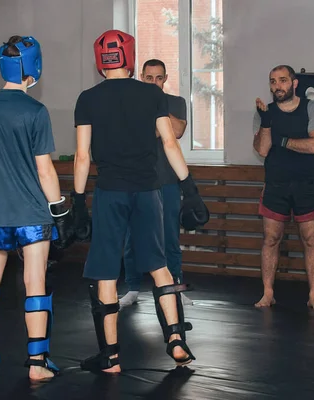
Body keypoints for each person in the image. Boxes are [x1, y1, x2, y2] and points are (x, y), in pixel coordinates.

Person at [72, 29, 209, 374]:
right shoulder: (151, 94)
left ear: (99, 61)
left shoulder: (87, 98)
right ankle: (177, 340)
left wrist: (76, 200)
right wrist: (189, 187)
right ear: (130, 59)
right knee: (159, 265)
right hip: (148, 191)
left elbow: (82, 156)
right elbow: (170, 144)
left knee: (105, 272)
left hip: (111, 191)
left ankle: (112, 357)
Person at [0, 35, 75, 381]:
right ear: (33, 67)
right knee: (34, 283)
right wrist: (60, 209)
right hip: (31, 214)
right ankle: (38, 364)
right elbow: (45, 170)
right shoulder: (36, 112)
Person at [252, 65, 314, 311]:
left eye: (283, 80)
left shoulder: (313, 108)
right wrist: (266, 123)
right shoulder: (266, 112)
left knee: (311, 239)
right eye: (273, 81)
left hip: (306, 184)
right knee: (271, 239)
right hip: (275, 184)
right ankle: (268, 293)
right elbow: (263, 150)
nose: (277, 86)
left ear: (294, 83)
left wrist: (282, 141)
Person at [120, 59, 193, 307]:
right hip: (136, 180)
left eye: (158, 78)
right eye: (149, 78)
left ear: (165, 78)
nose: (154, 82)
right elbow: (138, 134)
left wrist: (156, 106)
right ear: (141, 77)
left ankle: (176, 286)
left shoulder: (175, 102)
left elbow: (177, 131)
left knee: (170, 236)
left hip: (167, 181)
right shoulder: (129, 104)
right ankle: (131, 288)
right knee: (131, 237)